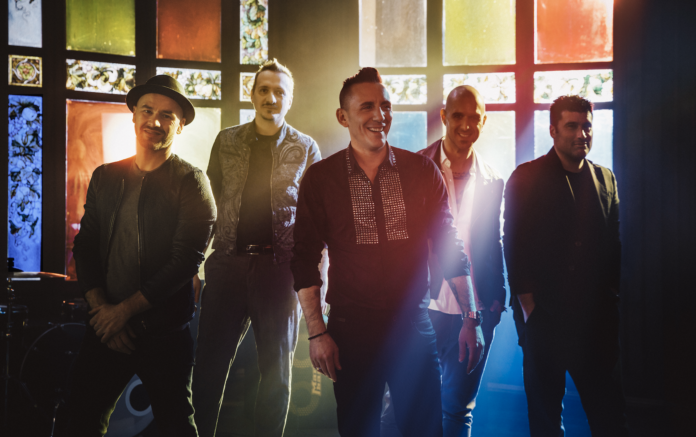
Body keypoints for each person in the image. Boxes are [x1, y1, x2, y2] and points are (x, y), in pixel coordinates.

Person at [291, 67, 484, 437]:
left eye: (386, 106)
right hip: (349, 328)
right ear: (343, 117)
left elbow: (450, 245)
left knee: (425, 430)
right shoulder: (321, 178)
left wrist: (470, 318)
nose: (379, 115)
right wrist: (317, 333)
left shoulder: (421, 171)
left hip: (413, 326)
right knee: (358, 429)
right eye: (367, 107)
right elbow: (304, 258)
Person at [67, 74, 217, 436]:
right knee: (79, 422)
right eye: (147, 110)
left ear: (180, 126)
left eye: (167, 115)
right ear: (134, 115)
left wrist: (122, 313)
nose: (155, 121)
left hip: (163, 333)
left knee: (176, 427)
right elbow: (85, 245)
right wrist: (102, 310)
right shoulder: (105, 176)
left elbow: (185, 261)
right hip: (106, 328)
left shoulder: (192, 182)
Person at [192, 59, 322, 437]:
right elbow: (209, 207)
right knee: (208, 370)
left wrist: (318, 279)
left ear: (290, 99)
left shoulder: (306, 148)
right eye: (264, 90)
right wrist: (195, 266)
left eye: (279, 92)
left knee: (276, 376)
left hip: (279, 272)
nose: (271, 98)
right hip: (227, 265)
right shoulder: (227, 141)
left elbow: (316, 222)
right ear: (252, 95)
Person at [381, 85, 506, 437]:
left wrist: (497, 297)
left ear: (484, 120)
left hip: (475, 309)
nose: (466, 125)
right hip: (422, 306)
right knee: (399, 406)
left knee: (458, 409)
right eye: (458, 116)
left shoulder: (492, 178)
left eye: (474, 118)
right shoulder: (415, 167)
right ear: (443, 117)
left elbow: (492, 240)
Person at [504, 95, 629, 436]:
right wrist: (529, 307)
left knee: (609, 416)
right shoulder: (526, 177)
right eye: (571, 126)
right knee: (546, 420)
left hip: (596, 321)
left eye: (587, 126)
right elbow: (513, 242)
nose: (581, 134)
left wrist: (612, 294)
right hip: (544, 317)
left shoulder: (605, 178)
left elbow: (615, 243)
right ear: (553, 130)